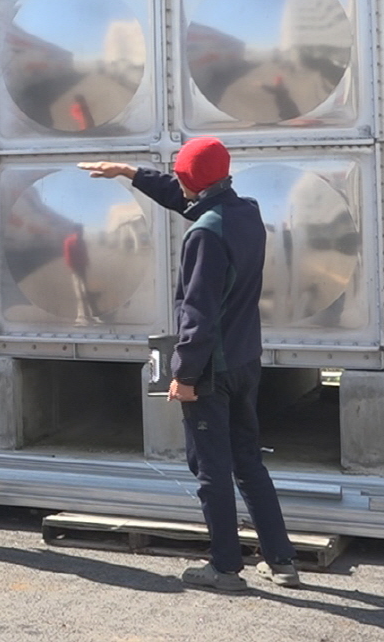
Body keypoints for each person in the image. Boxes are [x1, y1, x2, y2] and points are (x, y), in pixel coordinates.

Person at [78, 138, 303, 593]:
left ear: (192, 181)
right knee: (248, 461)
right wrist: (132, 173)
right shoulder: (245, 213)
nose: (178, 184)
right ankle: (282, 561)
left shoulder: (204, 235)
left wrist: (184, 375)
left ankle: (225, 567)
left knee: (211, 469)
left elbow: (198, 314)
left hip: (211, 370)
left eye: (180, 175)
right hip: (245, 360)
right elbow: (189, 199)